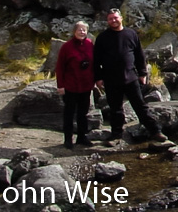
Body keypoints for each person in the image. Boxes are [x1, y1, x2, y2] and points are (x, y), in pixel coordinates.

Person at [93, 8, 167, 143]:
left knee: (140, 106)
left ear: (121, 18)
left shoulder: (131, 34)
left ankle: (155, 131)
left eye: (115, 17)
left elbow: (139, 55)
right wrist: (98, 78)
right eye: (110, 19)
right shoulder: (102, 37)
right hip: (111, 79)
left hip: (131, 77)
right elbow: (96, 60)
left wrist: (143, 73)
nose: (113, 20)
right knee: (115, 109)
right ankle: (116, 135)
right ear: (107, 21)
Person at [55, 20, 95, 149]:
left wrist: (95, 80)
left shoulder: (90, 44)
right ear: (74, 31)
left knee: (83, 113)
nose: (82, 32)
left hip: (86, 85)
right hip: (71, 86)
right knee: (69, 113)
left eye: (84, 30)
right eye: (80, 29)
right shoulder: (66, 47)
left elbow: (94, 64)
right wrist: (60, 85)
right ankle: (68, 139)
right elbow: (60, 67)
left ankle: (82, 137)